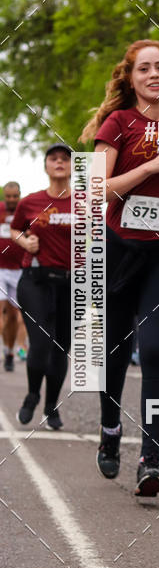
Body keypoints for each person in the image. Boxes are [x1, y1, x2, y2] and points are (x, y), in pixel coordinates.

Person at [80, 39, 159, 497]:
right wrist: (154, 165)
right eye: (144, 69)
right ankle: (110, 428)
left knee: (154, 350)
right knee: (116, 348)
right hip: (118, 251)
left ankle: (150, 459)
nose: (154, 75)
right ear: (131, 78)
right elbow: (95, 190)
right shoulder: (117, 123)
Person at [10, 147, 73, 429]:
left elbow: (100, 237)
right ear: (46, 166)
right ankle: (33, 395)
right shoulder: (31, 202)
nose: (59, 162)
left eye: (65, 158)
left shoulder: (86, 203)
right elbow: (15, 229)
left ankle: (51, 406)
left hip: (72, 283)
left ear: (72, 166)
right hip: (35, 280)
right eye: (53, 159)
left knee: (61, 348)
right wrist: (24, 241)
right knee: (42, 343)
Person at [0, 181, 25, 371]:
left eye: (14, 196)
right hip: (0, 269)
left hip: (18, 269)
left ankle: (9, 351)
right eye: (8, 196)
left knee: (13, 315)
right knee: (1, 312)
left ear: (19, 195)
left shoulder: (25, 211)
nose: (11, 200)